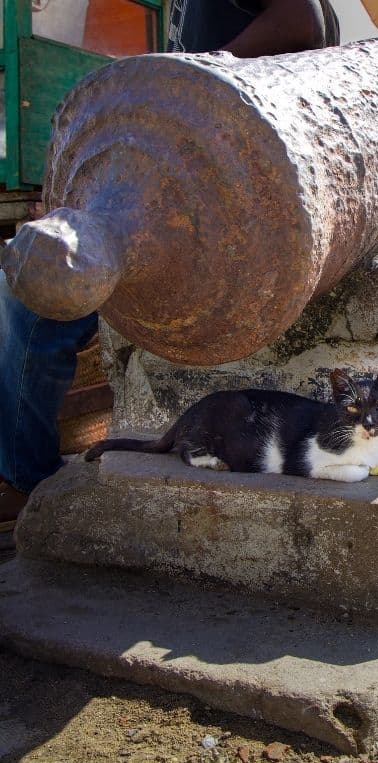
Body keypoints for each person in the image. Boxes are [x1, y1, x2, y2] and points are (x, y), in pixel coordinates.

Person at [0, 0, 339, 533]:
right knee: (29, 293)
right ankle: (30, 474)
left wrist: (210, 66)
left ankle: (26, 479)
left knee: (28, 305)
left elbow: (303, 22)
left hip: (219, 198)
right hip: (193, 195)